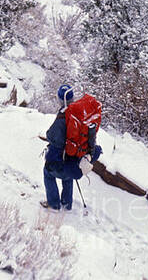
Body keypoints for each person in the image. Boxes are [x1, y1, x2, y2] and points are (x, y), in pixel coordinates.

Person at [41, 84, 102, 212]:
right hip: (75, 160)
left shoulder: (64, 117)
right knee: (68, 175)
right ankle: (67, 204)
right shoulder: (79, 115)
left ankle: (54, 204)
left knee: (47, 172)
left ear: (59, 99)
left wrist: (49, 158)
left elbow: (53, 138)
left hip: (64, 161)